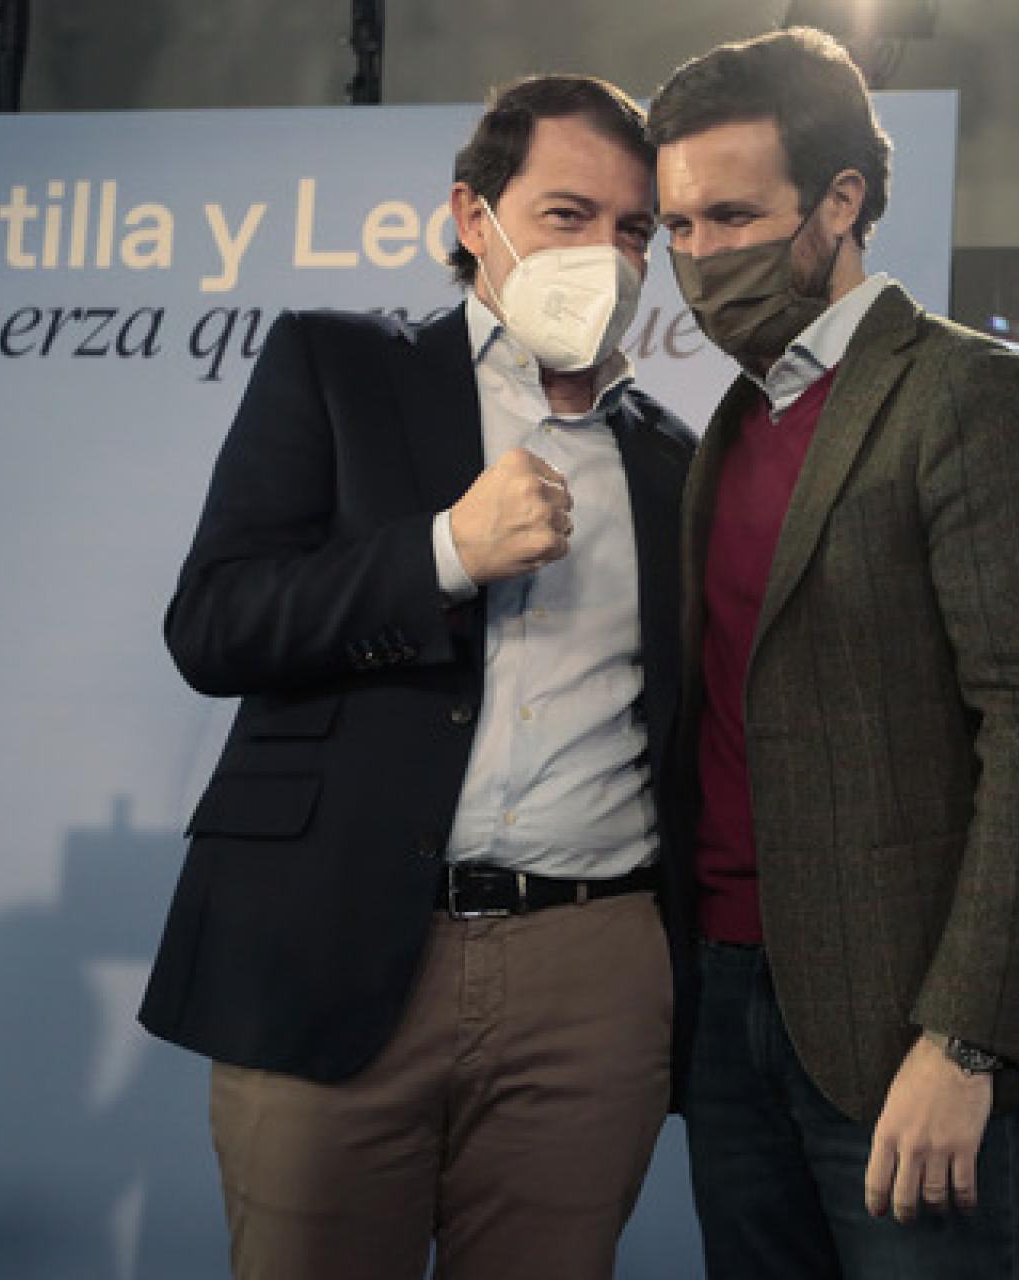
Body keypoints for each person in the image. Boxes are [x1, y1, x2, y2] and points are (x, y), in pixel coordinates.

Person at [138, 75, 694, 1280]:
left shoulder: (675, 465)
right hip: (337, 946)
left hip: (587, 971)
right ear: (470, 217)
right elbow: (214, 623)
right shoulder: (338, 367)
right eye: (565, 213)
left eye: (634, 227)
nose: (605, 252)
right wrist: (441, 552)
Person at [648, 28, 1019, 1278]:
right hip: (726, 1011)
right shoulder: (730, 429)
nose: (698, 258)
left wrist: (965, 1036)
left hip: (911, 1032)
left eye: (733, 215)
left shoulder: (970, 396)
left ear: (840, 202)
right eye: (678, 227)